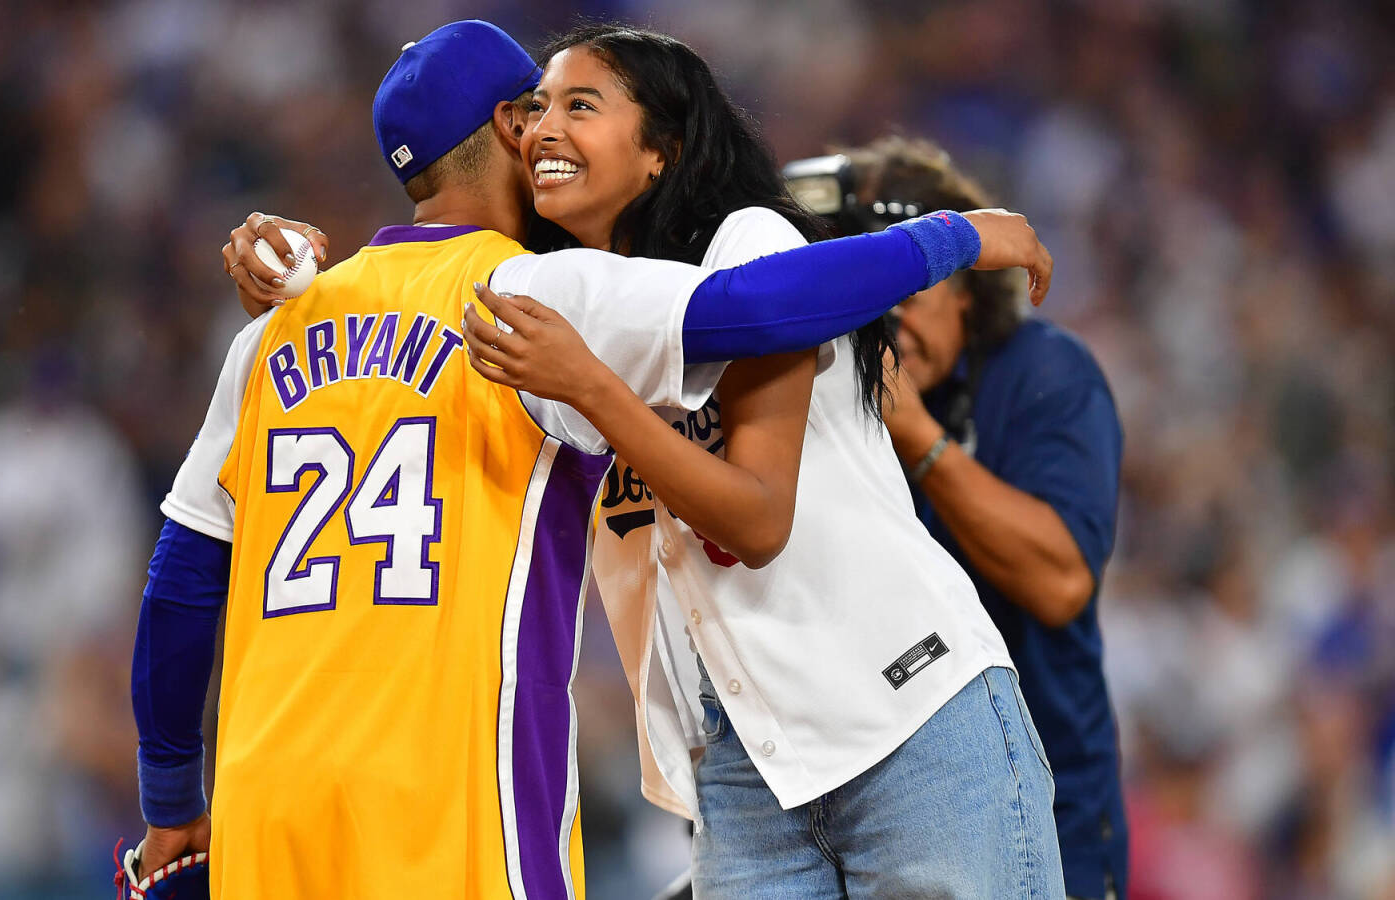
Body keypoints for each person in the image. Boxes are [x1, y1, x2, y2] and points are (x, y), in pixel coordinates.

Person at [143, 19, 1052, 900]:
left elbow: (183, 582)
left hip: (274, 803)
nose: (548, 128)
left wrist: (170, 797)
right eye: (539, 108)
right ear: (509, 127)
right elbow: (756, 313)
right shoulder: (540, 293)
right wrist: (949, 239)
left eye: (577, 107)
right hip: (500, 800)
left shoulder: (273, 338)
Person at [785, 138, 1128, 899]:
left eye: (908, 293)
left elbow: (1062, 580)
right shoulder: (821, 395)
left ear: (968, 289)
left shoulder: (1042, 373)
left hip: (1048, 802)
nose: (886, 323)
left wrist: (918, 438)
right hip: (870, 806)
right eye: (868, 298)